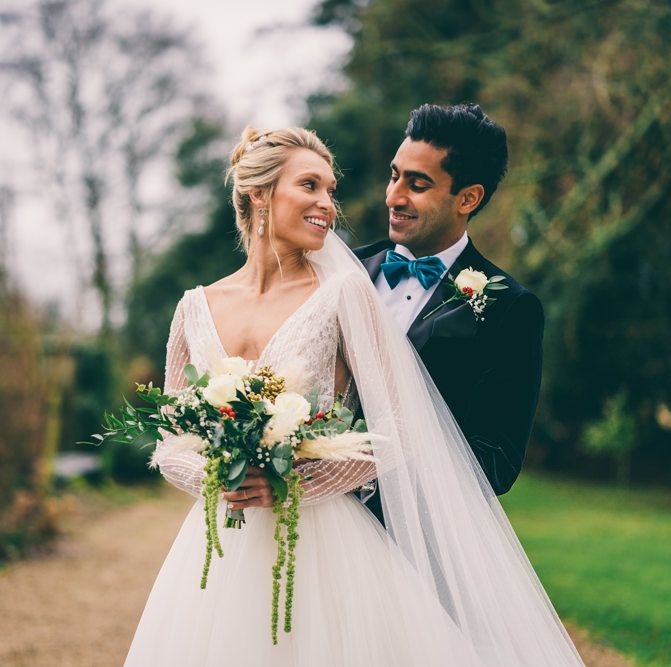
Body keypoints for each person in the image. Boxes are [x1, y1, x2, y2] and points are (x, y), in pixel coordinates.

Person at [125, 127, 583, 665]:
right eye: (311, 186)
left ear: (468, 198)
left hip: (351, 538)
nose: (333, 204)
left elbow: (439, 435)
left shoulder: (354, 292)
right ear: (259, 193)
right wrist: (228, 474)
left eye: (415, 183)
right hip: (226, 542)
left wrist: (294, 480)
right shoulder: (206, 304)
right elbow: (173, 436)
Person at [354, 103, 542, 524]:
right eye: (393, 175)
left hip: (416, 544)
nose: (393, 197)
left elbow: (496, 460)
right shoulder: (342, 271)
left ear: (468, 198)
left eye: (417, 185)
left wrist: (361, 478)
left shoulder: (509, 307)